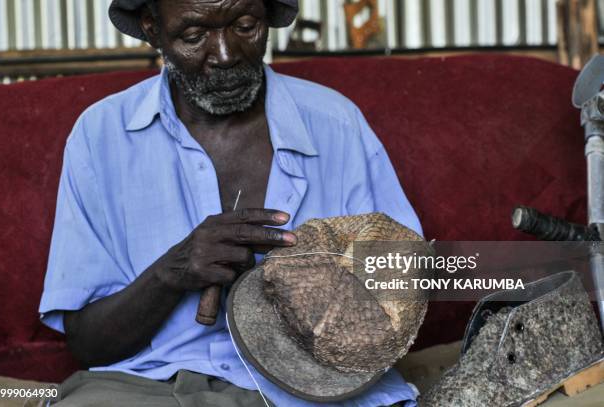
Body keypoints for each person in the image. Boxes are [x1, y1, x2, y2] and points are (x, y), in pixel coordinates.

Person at [38, 0, 423, 405]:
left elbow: (405, 281)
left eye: (244, 26)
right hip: (148, 387)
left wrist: (314, 277)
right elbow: (88, 345)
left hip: (314, 392)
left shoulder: (335, 123)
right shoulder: (101, 135)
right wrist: (174, 271)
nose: (225, 54)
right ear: (152, 28)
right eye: (194, 36)